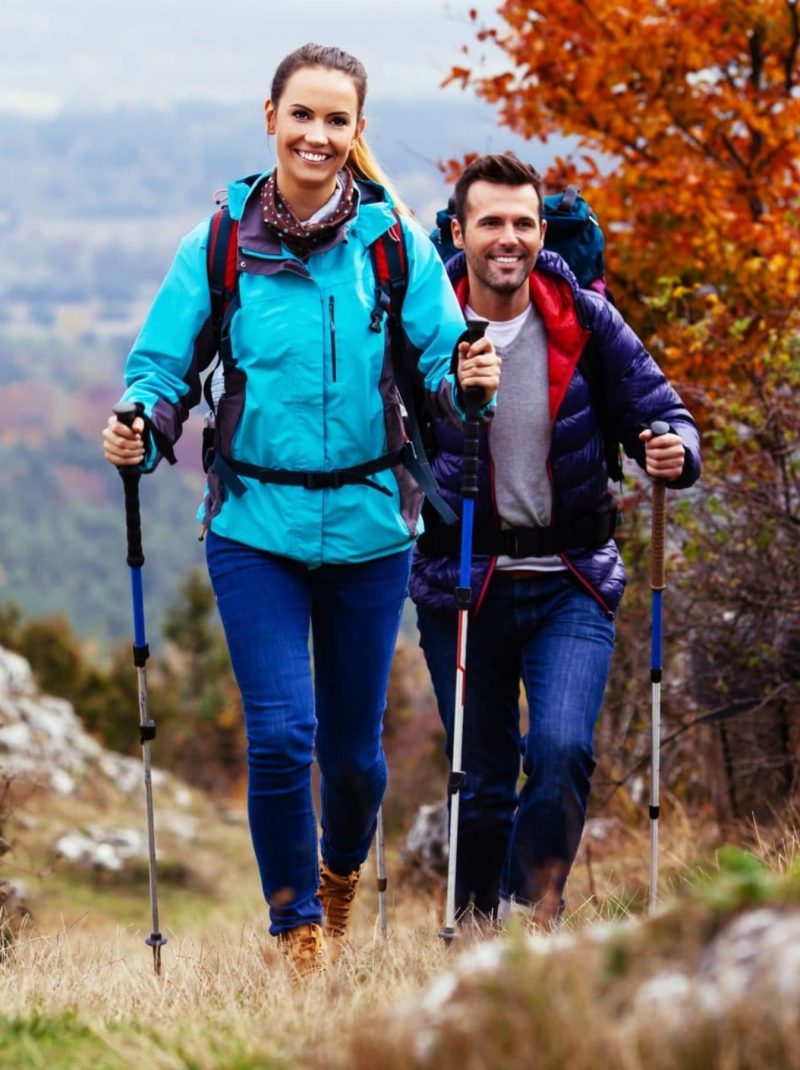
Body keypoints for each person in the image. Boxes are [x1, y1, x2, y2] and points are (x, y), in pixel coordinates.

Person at [102, 43, 500, 979]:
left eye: (337, 120)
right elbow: (164, 367)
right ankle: (296, 934)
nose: (318, 135)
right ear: (270, 118)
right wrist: (143, 427)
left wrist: (469, 382)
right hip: (254, 528)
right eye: (303, 116)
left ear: (358, 133)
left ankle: (338, 873)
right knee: (283, 735)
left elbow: (443, 363)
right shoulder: (221, 243)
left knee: (356, 761)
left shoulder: (393, 240)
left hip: (370, 528)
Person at [410, 152, 701, 927]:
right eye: (491, 223)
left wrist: (673, 448)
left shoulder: (583, 316)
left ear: (543, 231)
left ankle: (529, 919)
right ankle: (473, 938)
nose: (508, 238)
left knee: (564, 752)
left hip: (570, 577)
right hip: (459, 581)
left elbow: (662, 409)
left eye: (523, 223)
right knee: (481, 777)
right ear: (461, 232)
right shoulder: (426, 323)